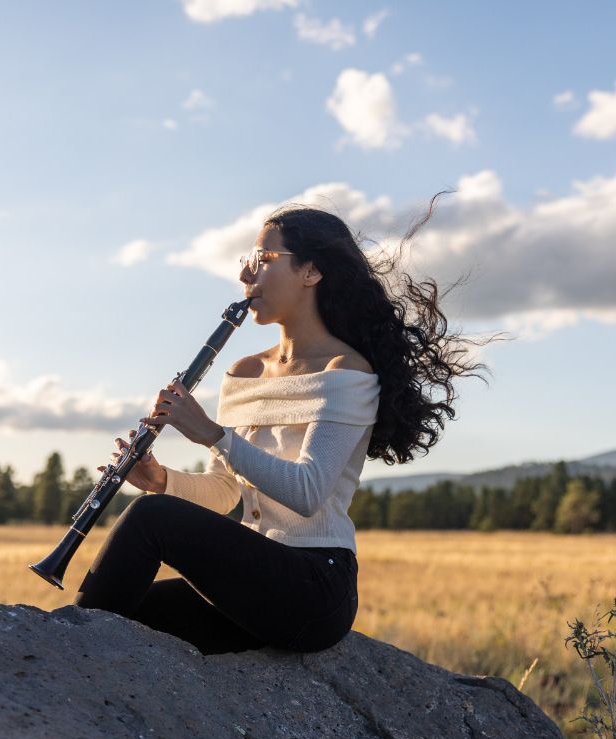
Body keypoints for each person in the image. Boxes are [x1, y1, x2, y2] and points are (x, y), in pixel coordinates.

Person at [74, 202, 484, 654]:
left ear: (311, 271)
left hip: (312, 589)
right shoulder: (245, 372)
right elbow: (226, 490)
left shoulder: (345, 372)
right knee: (126, 608)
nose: (248, 277)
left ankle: (64, 649)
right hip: (252, 583)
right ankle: (67, 657)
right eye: (249, 262)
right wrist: (161, 480)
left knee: (149, 522)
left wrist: (213, 434)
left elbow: (308, 492)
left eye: (264, 261)